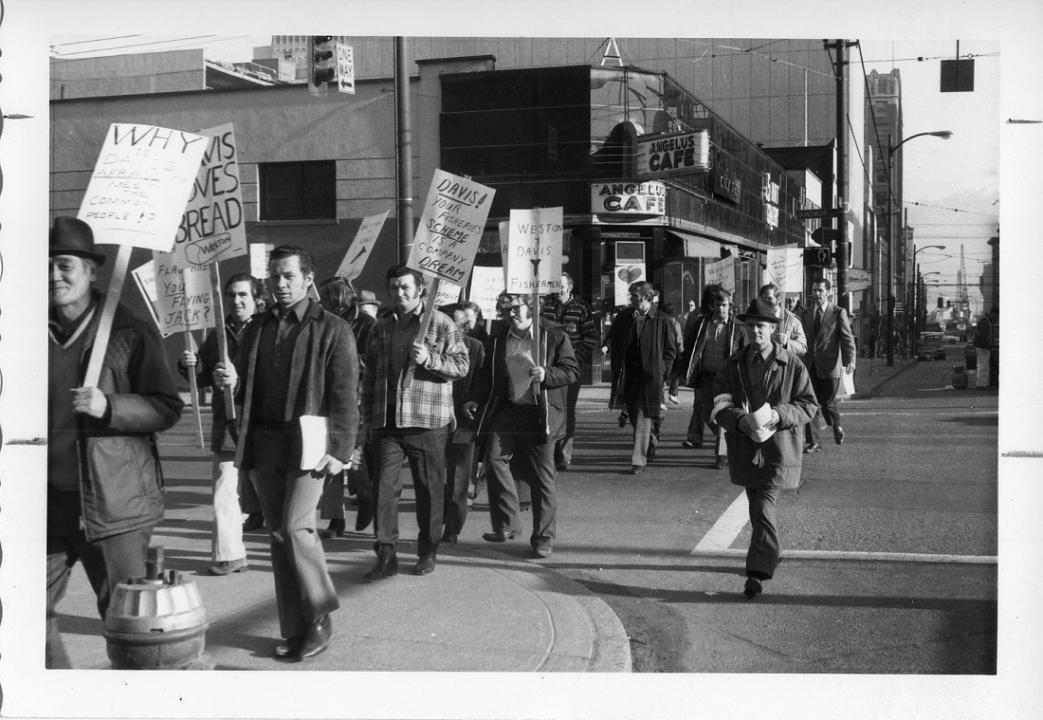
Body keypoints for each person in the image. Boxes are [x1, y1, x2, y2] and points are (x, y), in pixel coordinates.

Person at [47, 216, 184, 668]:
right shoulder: (23, 332)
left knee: (128, 626)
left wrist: (110, 407)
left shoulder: (127, 331)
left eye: (65, 265)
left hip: (114, 505)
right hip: (45, 504)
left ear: (91, 271)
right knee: (21, 615)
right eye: (46, 265)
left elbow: (166, 406)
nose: (53, 275)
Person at [214, 244, 358, 661]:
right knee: (278, 537)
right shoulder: (258, 328)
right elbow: (245, 388)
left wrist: (342, 449)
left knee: (297, 529)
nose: (279, 284)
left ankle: (319, 614)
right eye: (274, 276)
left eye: (288, 276)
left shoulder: (333, 329)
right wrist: (231, 380)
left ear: (308, 278)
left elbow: (346, 395)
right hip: (263, 443)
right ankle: (295, 627)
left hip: (310, 447)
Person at [359, 265, 469, 579]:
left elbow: (462, 365)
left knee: (430, 489)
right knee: (384, 488)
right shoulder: (380, 327)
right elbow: (370, 377)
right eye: (394, 288)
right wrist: (367, 420)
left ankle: (427, 550)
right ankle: (385, 553)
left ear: (419, 289)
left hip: (427, 421)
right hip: (387, 419)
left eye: (406, 287)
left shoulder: (440, 323)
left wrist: (429, 360)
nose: (400, 293)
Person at [711, 298, 819, 599]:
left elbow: (809, 404)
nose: (755, 331)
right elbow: (719, 403)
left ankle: (757, 571)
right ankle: (770, 553)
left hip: (779, 448)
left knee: (762, 505)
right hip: (746, 447)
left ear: (773, 329)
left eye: (762, 326)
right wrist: (739, 420)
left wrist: (778, 415)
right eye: (751, 326)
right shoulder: (734, 364)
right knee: (756, 504)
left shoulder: (791, 364)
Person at [464, 294, 578, 557]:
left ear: (532, 306)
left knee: (542, 478)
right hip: (509, 409)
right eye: (507, 309)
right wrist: (474, 398)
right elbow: (486, 374)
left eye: (516, 308)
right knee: (493, 459)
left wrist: (546, 374)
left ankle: (543, 538)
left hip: (541, 413)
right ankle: (508, 523)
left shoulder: (553, 334)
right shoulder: (499, 337)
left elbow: (571, 370)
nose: (511, 313)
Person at [179, 273, 265, 575]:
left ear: (257, 299)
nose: (236, 300)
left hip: (262, 422)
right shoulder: (218, 334)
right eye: (231, 295)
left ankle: (289, 553)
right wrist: (192, 364)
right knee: (223, 490)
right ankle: (229, 555)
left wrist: (238, 381)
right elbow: (201, 378)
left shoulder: (267, 329)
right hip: (227, 423)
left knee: (270, 493)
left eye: (243, 295)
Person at [315, 277, 376, 537]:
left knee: (355, 456)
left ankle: (366, 497)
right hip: (329, 396)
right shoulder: (324, 323)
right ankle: (335, 519)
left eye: (327, 298)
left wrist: (347, 361)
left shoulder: (366, 323)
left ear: (338, 298)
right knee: (330, 456)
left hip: (358, 397)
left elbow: (372, 362)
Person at [604, 281, 678, 474]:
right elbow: (613, 336)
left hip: (651, 377)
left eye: (635, 296)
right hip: (630, 374)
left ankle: (638, 460)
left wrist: (662, 372)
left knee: (643, 415)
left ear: (646, 298)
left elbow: (670, 350)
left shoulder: (662, 319)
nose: (631, 300)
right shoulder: (624, 316)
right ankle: (651, 439)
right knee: (634, 415)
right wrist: (607, 347)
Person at [680, 285, 744, 468]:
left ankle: (721, 455)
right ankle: (733, 440)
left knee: (722, 414)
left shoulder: (737, 328)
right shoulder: (703, 324)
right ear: (713, 306)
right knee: (708, 416)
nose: (721, 309)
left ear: (730, 306)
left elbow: (744, 352)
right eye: (718, 305)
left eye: (724, 305)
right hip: (706, 378)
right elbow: (691, 348)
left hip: (727, 380)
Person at [539, 272, 598, 470]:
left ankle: (564, 456)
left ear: (570, 287)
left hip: (570, 369)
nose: (559, 289)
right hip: (548, 367)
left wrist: (574, 360)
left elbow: (590, 338)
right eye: (556, 285)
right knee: (550, 408)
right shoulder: (546, 305)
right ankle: (549, 453)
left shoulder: (581, 307)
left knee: (568, 410)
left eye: (562, 285)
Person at [444, 306, 487, 543]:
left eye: (457, 325)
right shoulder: (431, 344)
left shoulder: (476, 347)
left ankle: (452, 528)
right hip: (435, 418)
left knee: (459, 477)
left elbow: (482, 380)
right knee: (432, 474)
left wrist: (473, 399)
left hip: (463, 421)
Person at [800, 277, 856, 453]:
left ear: (828, 293)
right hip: (810, 365)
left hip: (831, 366)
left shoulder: (838, 312)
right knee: (811, 402)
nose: (817, 294)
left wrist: (850, 361)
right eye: (815, 290)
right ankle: (814, 442)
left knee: (828, 402)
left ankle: (837, 425)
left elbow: (847, 339)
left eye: (821, 291)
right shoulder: (806, 313)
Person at [758, 282, 807, 358]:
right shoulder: (758, 320)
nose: (766, 301)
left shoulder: (792, 321)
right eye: (763, 299)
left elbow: (802, 348)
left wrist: (787, 342)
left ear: (779, 299)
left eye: (769, 298)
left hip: (784, 365)